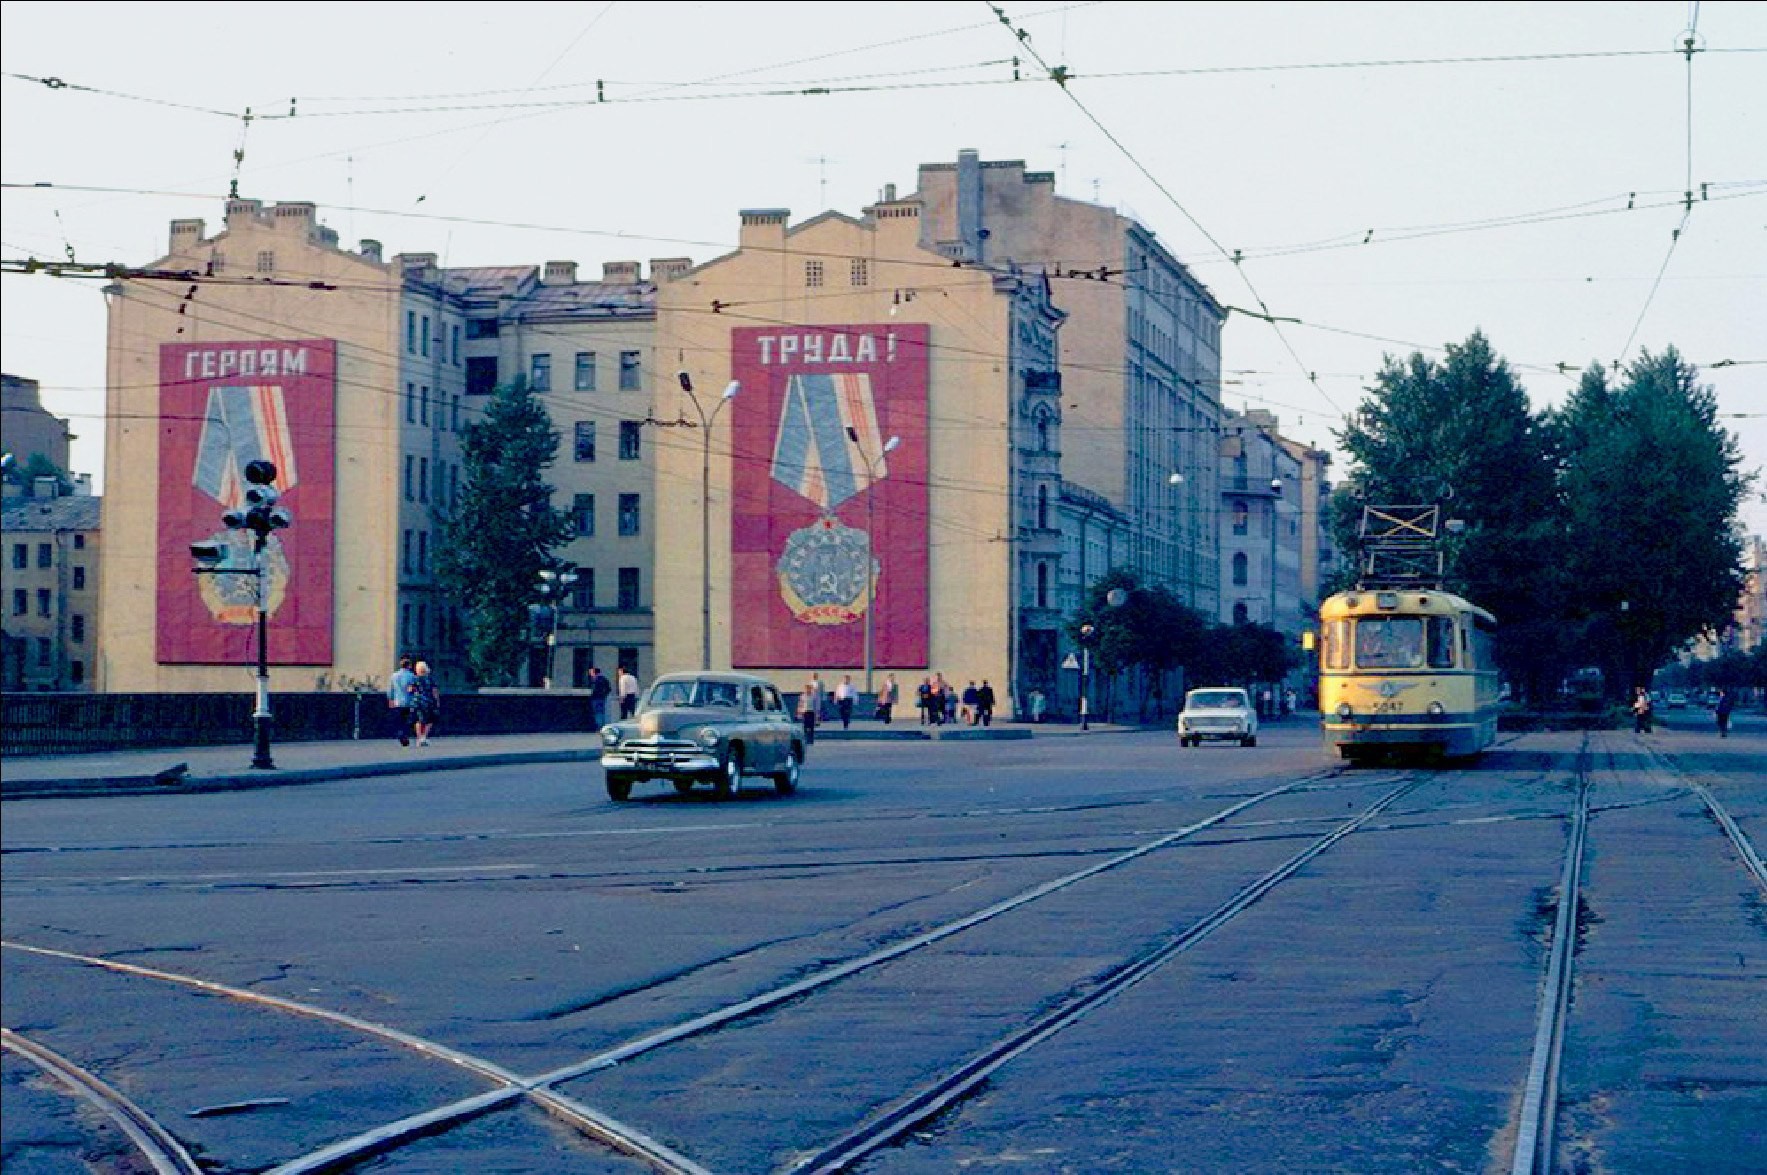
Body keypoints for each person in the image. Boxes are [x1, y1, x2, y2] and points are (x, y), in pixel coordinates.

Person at [409, 661, 441, 746]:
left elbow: (410, 689)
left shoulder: (415, 679)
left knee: (419, 720)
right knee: (430, 720)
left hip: (417, 702)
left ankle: (419, 739)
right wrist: (437, 702)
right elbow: (435, 691)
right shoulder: (430, 679)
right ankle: (424, 736)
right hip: (428, 701)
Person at [387, 656, 417, 747]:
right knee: (407, 720)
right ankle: (404, 734)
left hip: (397, 701)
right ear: (409, 666)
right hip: (408, 701)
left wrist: (390, 699)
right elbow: (413, 688)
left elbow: (390, 689)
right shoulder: (412, 676)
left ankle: (400, 733)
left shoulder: (394, 676)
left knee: (399, 720)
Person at [799, 674, 824, 745]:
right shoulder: (803, 696)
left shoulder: (814, 696)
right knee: (805, 726)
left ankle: (811, 739)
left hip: (812, 712)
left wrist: (817, 714)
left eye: (809, 689)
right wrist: (799, 712)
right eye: (806, 689)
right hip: (805, 712)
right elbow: (800, 704)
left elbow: (816, 705)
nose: (808, 690)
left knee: (811, 726)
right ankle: (805, 739)